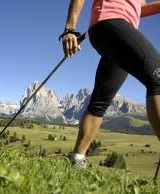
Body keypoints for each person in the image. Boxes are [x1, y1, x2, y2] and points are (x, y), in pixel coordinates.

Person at [61, 0, 160, 168]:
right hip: (111, 23)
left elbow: (140, 8)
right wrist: (70, 28)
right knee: (157, 77)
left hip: (118, 31)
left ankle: (76, 160)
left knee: (100, 102)